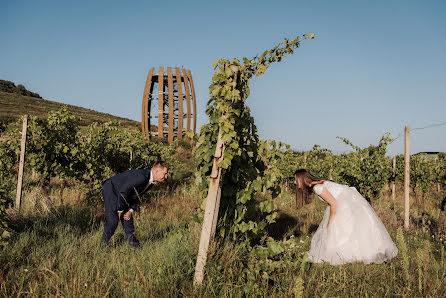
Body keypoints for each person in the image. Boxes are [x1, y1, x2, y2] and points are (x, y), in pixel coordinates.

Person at [294, 169, 398, 265]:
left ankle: (345, 254)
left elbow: (334, 203)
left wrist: (331, 221)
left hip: (346, 204)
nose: (294, 183)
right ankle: (369, 251)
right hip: (349, 201)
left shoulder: (317, 187)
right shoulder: (319, 183)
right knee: (351, 229)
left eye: (296, 180)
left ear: (302, 179)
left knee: (338, 229)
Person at [100, 161, 169, 248]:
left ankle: (133, 245)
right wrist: (120, 210)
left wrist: (131, 210)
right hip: (111, 189)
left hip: (123, 193)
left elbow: (136, 195)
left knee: (128, 218)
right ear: (157, 171)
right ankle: (102, 246)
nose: (166, 176)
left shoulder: (150, 181)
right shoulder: (141, 177)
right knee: (113, 221)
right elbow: (123, 192)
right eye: (165, 173)